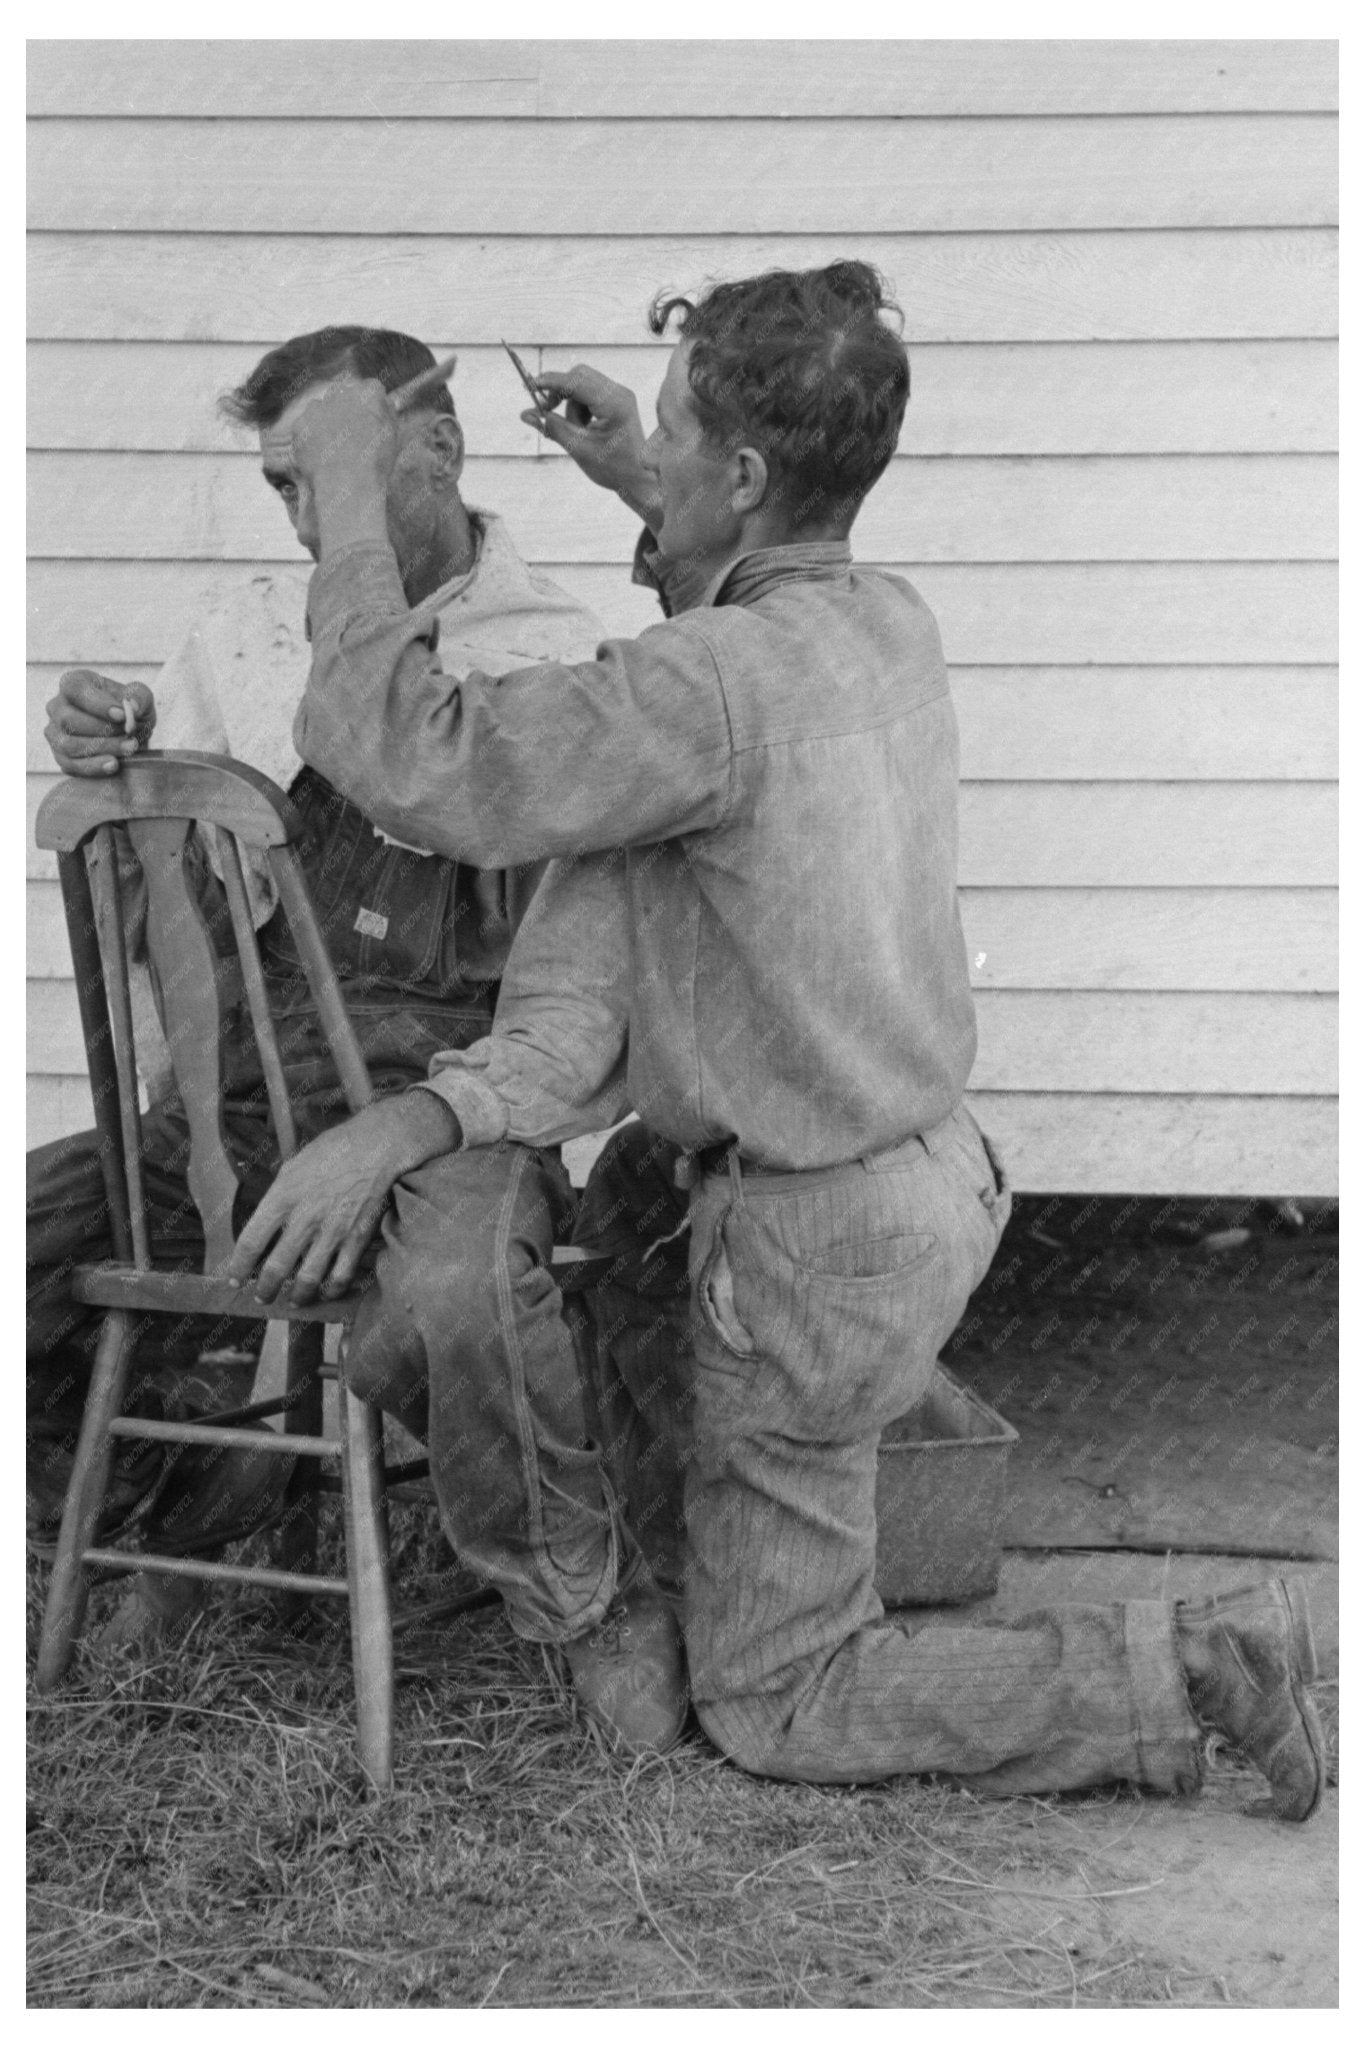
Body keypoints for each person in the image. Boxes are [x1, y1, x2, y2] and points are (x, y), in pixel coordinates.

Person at [227, 263, 1324, 1820]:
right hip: (909, 1181)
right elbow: (735, 643)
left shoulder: (706, 692)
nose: (646, 446)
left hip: (812, 1246)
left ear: (741, 476)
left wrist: (345, 499)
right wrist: (637, 482)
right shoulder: (879, 621)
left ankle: (1184, 1664)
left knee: (777, 1697)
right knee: (616, 1245)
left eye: (669, 433)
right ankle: (722, 1555)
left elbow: (421, 760)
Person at [28, 328, 674, 1743]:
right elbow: (164, 911)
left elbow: (573, 1004)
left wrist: (410, 1133)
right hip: (251, 1099)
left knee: (452, 1299)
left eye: (326, 482)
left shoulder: (562, 655)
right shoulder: (245, 633)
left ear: (437, 453)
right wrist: (119, 748)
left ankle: (576, 1592)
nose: (309, 525)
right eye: (283, 491)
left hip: (445, 1104)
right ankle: (180, 1495)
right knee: (31, 1242)